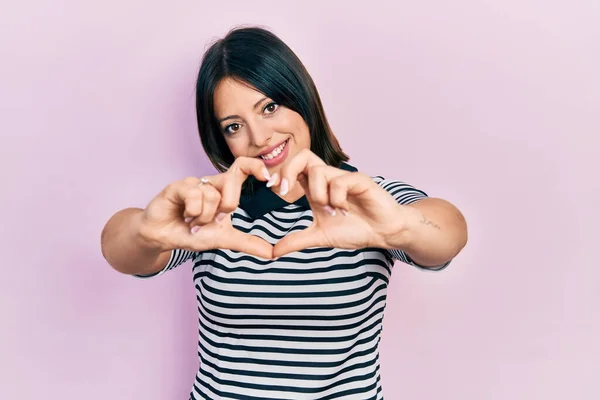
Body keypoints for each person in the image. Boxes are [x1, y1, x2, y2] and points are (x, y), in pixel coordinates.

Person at [101, 26, 468, 400]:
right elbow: (118, 245)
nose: (259, 137)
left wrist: (401, 228)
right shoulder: (211, 207)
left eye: (269, 107)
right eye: (234, 126)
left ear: (301, 98)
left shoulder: (367, 200)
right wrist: (145, 231)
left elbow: (448, 232)